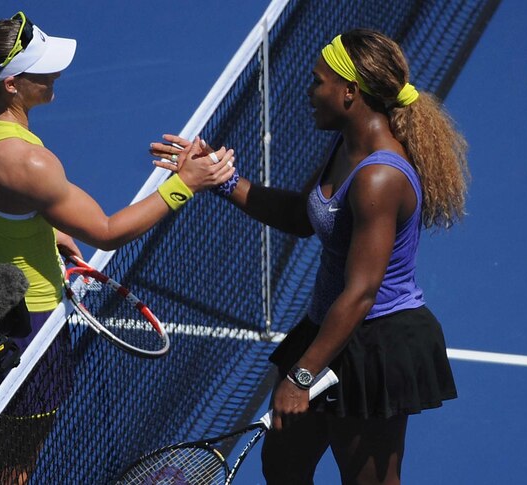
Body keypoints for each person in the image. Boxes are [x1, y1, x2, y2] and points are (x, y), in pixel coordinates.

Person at [152, 29, 465, 484]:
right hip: (328, 327)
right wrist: (218, 178)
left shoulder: (379, 176)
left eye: (318, 81)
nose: (309, 92)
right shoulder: (347, 145)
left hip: (375, 342)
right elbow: (301, 215)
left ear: (350, 92)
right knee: (283, 465)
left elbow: (361, 292)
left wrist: (301, 376)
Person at [0, 11, 235, 481]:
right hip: (29, 328)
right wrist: (185, 184)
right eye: (42, 68)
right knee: (15, 460)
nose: (56, 73)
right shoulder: (28, 161)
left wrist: (33, 229)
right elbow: (108, 231)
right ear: (12, 84)